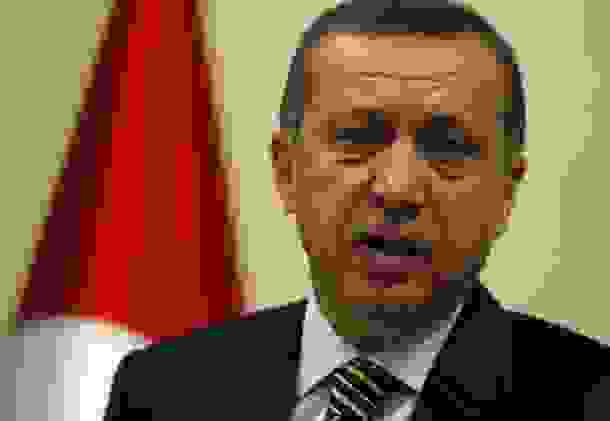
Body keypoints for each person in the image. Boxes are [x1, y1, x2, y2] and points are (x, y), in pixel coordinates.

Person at [103, 1, 609, 419]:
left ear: (506, 191)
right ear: (286, 171)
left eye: (448, 147)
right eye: (358, 138)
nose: (398, 187)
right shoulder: (161, 392)